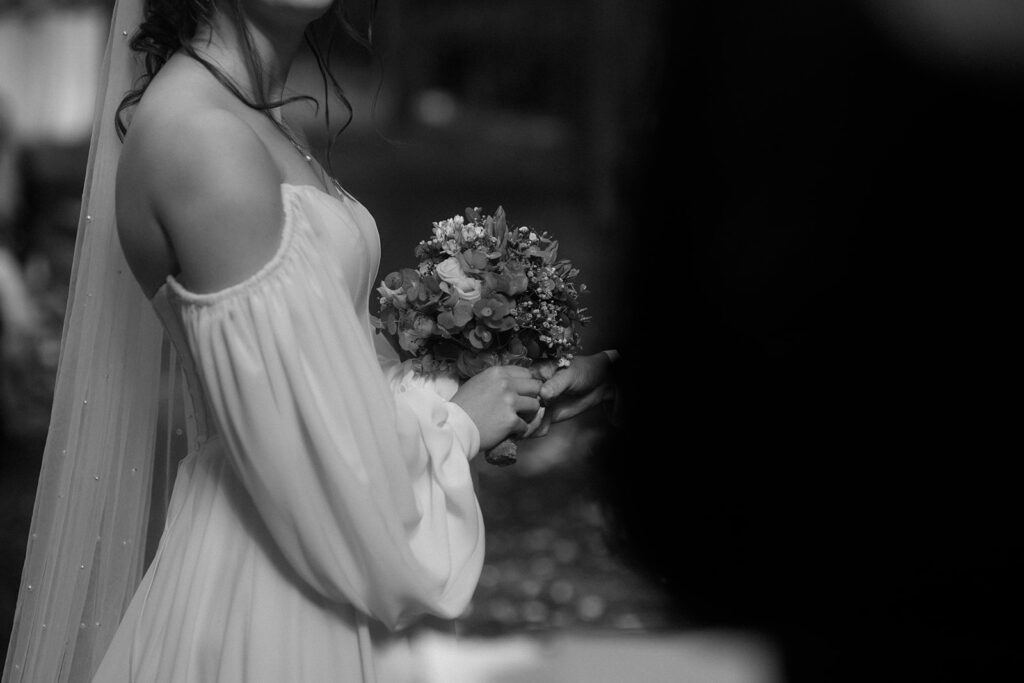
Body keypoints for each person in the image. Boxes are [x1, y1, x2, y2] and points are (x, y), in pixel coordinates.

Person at [2, 0, 555, 681]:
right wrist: (459, 423)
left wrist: (509, 378)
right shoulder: (202, 136)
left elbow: (319, 382)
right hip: (271, 604)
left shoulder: (252, 117)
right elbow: (319, 468)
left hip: (306, 574)